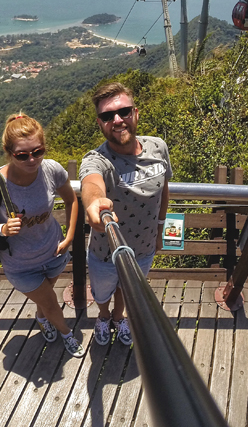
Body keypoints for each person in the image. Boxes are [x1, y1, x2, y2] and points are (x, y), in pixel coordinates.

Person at [0, 113, 84, 358]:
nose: (32, 159)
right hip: (21, 265)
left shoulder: (51, 170)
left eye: (38, 151)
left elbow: (71, 200)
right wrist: (1, 228)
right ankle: (66, 333)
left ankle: (42, 318)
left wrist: (70, 237)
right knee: (52, 302)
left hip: (54, 251)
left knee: (45, 302)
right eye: (22, 155)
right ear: (8, 152)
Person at [79, 82, 171, 346]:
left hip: (143, 249)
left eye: (124, 112)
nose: (117, 120)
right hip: (105, 252)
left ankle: (119, 317)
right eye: (108, 116)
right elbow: (91, 182)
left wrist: (160, 230)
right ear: (100, 123)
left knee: (128, 290)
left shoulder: (158, 148)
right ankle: (104, 316)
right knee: (101, 292)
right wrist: (95, 202)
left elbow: (164, 190)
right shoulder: (98, 159)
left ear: (136, 113)